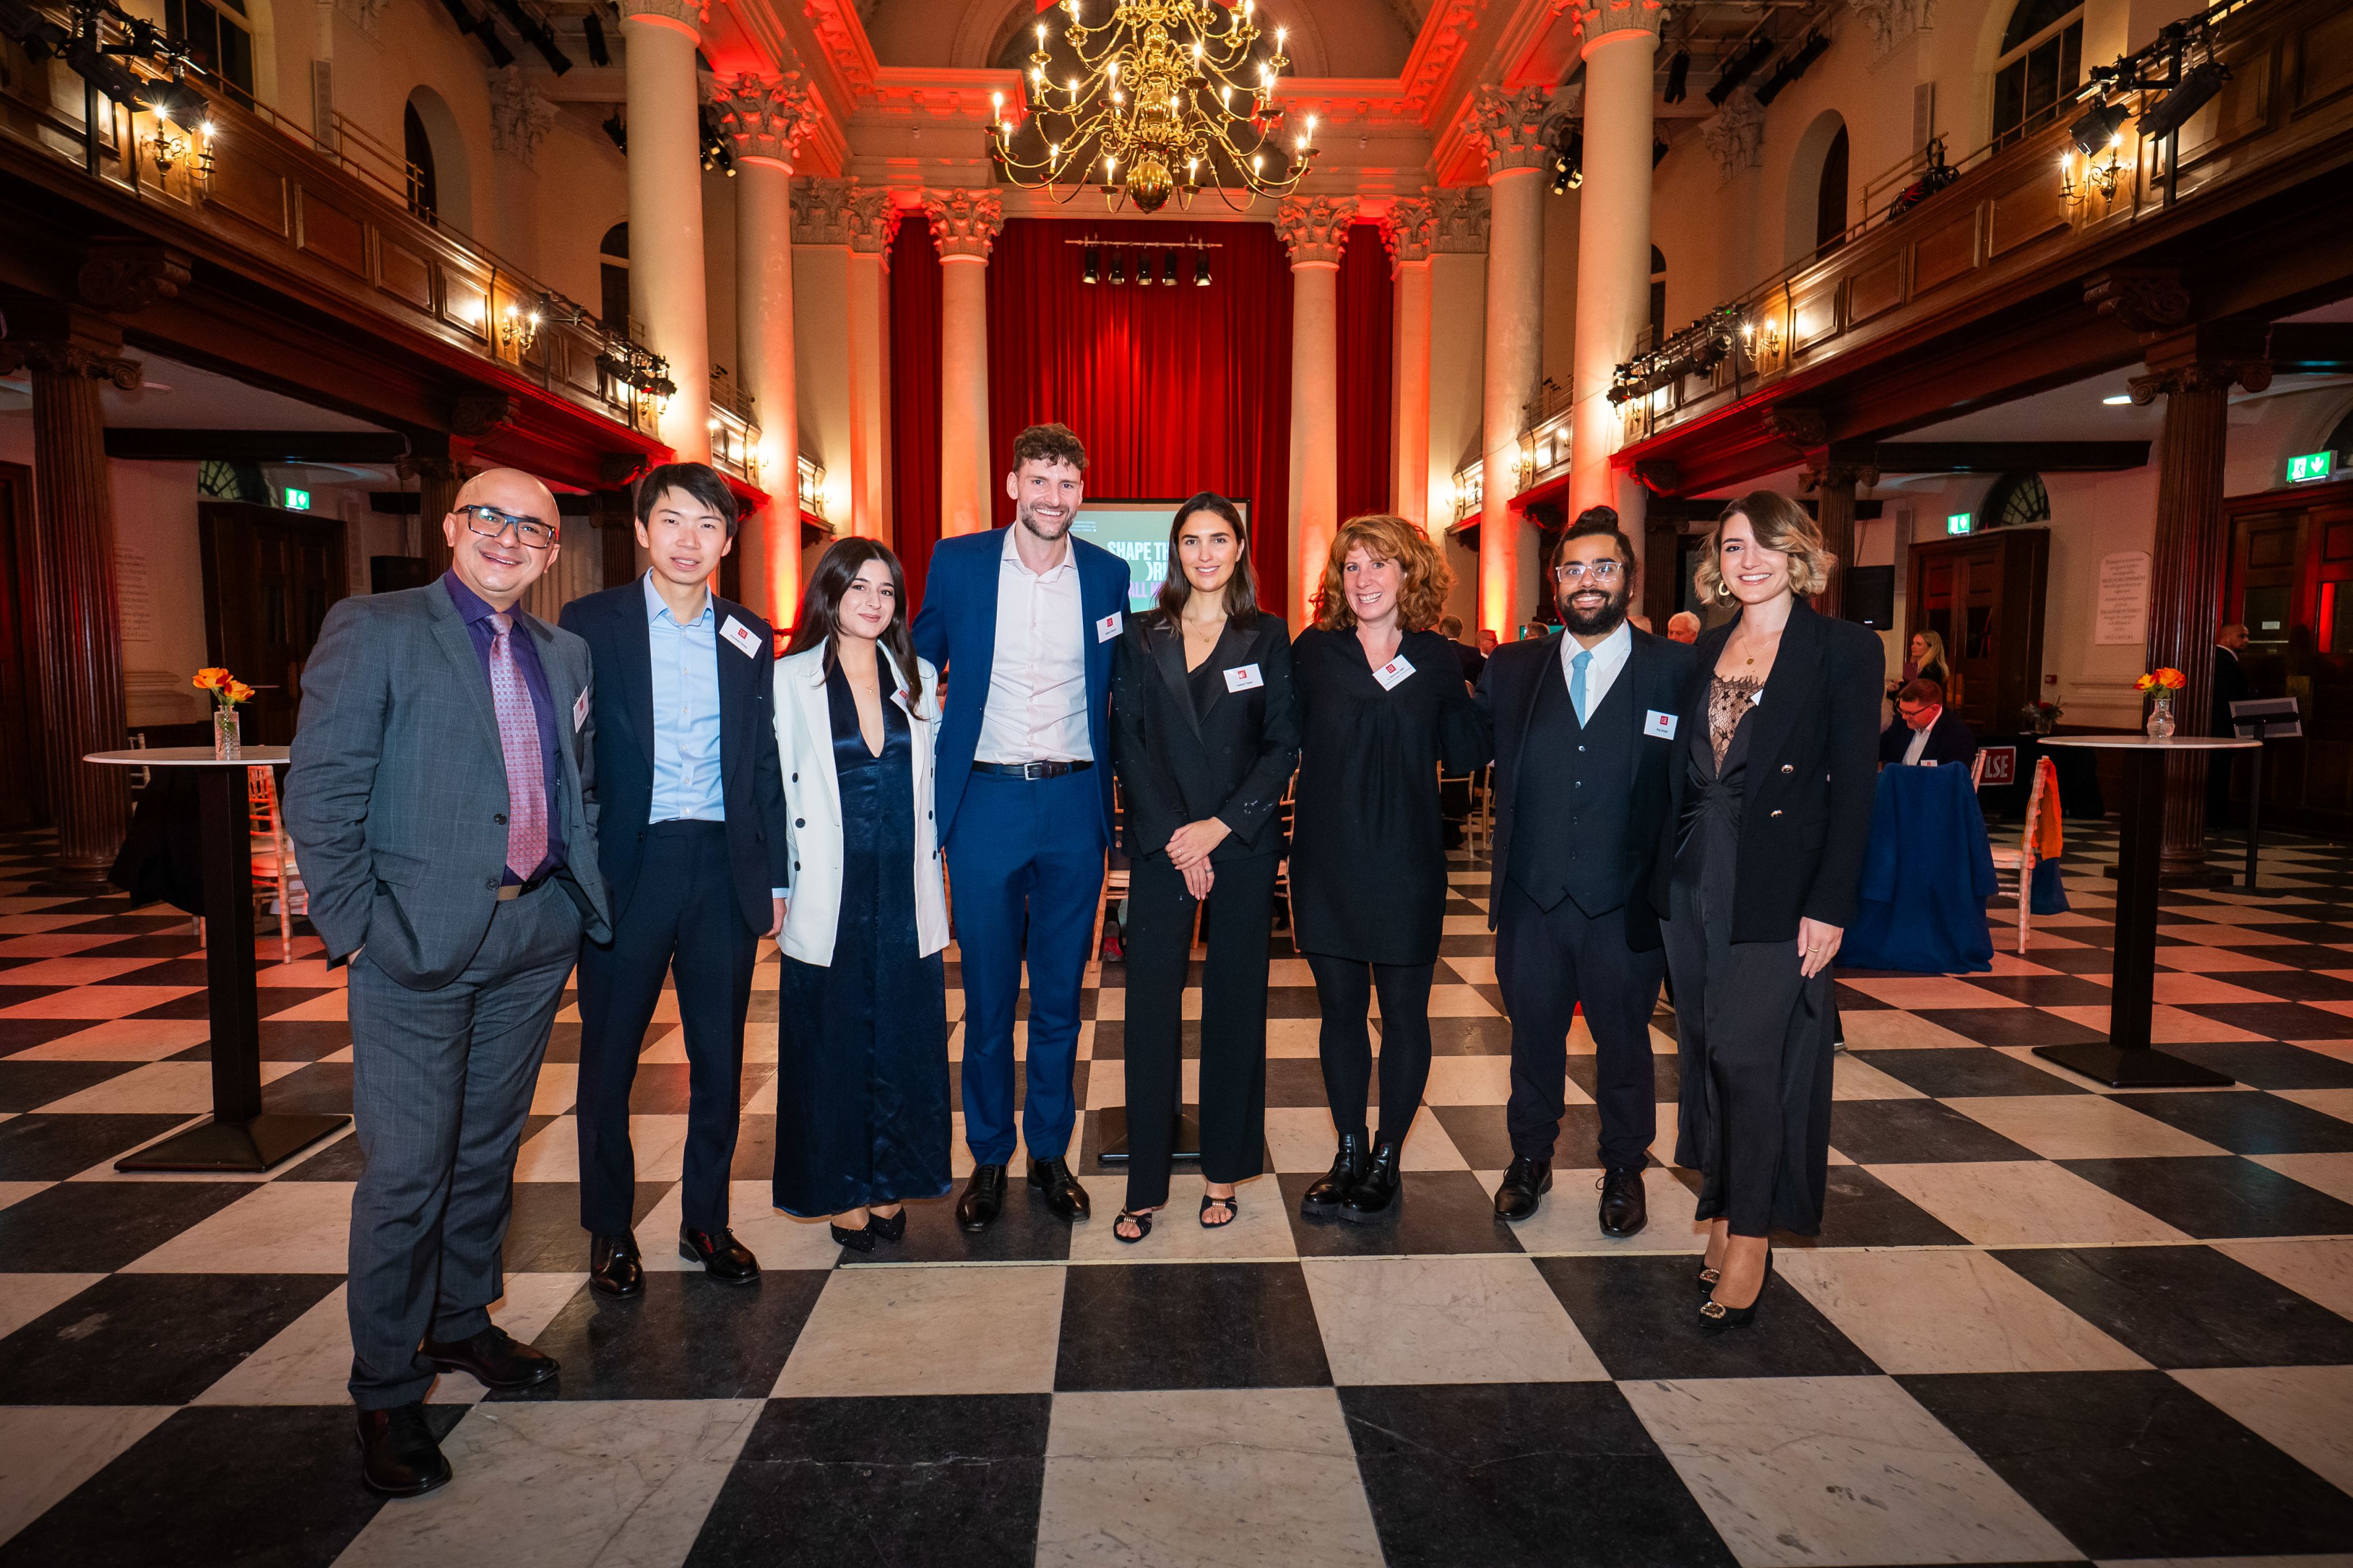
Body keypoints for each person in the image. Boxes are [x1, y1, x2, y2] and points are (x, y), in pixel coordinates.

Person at [286, 469, 611, 1497]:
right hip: (415, 946)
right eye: (491, 520)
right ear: (453, 527)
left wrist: (570, 898)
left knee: (485, 1151)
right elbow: (325, 788)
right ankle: (385, 1389)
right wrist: (359, 933)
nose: (509, 541)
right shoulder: (376, 627)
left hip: (532, 935)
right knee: (407, 1174)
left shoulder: (565, 652)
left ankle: (463, 1324)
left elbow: (575, 782)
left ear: (554, 552)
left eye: (533, 529)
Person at [560, 464, 788, 1297]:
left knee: (719, 1061)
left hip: (721, 867)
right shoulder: (589, 625)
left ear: (727, 541)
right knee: (608, 1061)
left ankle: (705, 1220)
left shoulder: (751, 633)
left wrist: (776, 878)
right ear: (644, 529)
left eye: (707, 526)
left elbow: (763, 760)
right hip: (629, 868)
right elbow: (568, 758)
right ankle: (611, 1228)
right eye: (673, 522)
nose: (688, 540)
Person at [1654, 490, 1879, 1330]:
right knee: (1709, 1051)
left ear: (1798, 555)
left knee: (1751, 1058)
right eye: (1735, 545)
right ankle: (1718, 1202)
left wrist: (1831, 905)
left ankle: (1751, 1233)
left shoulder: (1843, 650)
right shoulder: (1706, 648)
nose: (1749, 559)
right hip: (1690, 880)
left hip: (1780, 890)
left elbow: (1857, 790)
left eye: (1767, 545)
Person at [912, 423, 1130, 1233]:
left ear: (1082, 493)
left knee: (1062, 1002)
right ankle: (989, 1156)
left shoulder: (1108, 577)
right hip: (987, 803)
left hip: (1076, 805)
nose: (1053, 497)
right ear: (1013, 485)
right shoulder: (960, 561)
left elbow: (1123, 688)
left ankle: (1049, 1152)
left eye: (1068, 484)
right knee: (990, 996)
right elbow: (914, 653)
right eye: (1039, 480)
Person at [1479, 508, 1694, 1231]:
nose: (1587, 582)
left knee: (1625, 1046)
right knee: (1531, 1036)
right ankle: (1529, 1159)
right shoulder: (1512, 668)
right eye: (1572, 569)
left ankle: (1625, 1169)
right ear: (1555, 582)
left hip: (1625, 904)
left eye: (1602, 568)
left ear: (1628, 579)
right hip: (1531, 898)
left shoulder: (1673, 669)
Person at [1107, 494, 1298, 1242]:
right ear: (1176, 551)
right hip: (1161, 848)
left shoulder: (1268, 635)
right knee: (1149, 1012)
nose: (1206, 553)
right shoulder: (1140, 633)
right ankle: (1145, 1182)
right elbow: (1127, 739)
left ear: (1242, 545)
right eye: (1192, 540)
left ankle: (1224, 1170)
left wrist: (1219, 829)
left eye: (1220, 539)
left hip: (1242, 844)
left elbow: (1282, 744)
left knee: (1235, 1006)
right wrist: (1175, 838)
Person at [1290, 514, 1490, 1221]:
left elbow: (1465, 753)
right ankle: (1346, 1150)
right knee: (1340, 1013)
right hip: (1326, 859)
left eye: (1379, 564)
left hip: (1406, 859)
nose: (1364, 578)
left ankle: (1386, 1158)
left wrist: (1494, 692)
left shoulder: (1437, 658)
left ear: (1410, 575)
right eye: (1351, 566)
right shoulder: (1313, 651)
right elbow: (1272, 737)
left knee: (1404, 1015)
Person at [770, 540, 952, 1249]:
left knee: (906, 1042)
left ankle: (890, 1181)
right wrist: (774, 884)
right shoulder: (788, 679)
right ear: (830, 595)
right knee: (832, 1041)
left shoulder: (917, 674)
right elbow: (768, 788)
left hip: (903, 889)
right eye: (859, 589)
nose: (874, 603)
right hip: (829, 887)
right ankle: (841, 1187)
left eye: (886, 590)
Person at [1878, 678, 1977, 769]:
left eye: (1911, 713)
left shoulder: (1957, 735)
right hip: (1895, 784)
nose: (1905, 717)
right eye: (1902, 711)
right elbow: (1880, 748)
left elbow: (1952, 779)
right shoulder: (1902, 720)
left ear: (1934, 709)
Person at [2210, 621, 2251, 827]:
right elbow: (2233, 698)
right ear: (2226, 637)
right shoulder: (2226, 663)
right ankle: (2217, 818)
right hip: (2223, 727)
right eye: (2242, 636)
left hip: (2212, 727)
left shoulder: (2213, 659)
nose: (2246, 641)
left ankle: (2215, 816)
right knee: (2219, 772)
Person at [1441, 613, 1487, 689]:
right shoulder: (1474, 653)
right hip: (1467, 697)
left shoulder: (1434, 652)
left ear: (1442, 631)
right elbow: (1491, 668)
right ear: (1461, 632)